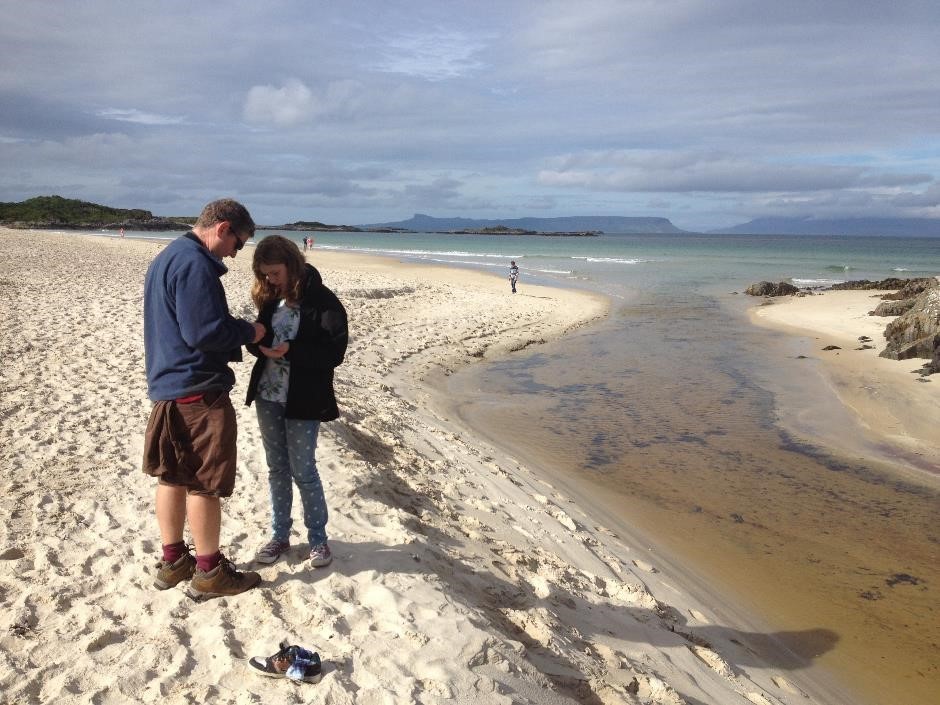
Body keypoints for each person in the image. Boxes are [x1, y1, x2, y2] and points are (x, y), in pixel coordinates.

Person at [143, 198, 266, 599]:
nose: (236, 253)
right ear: (223, 228)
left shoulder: (169, 257)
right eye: (239, 243)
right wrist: (251, 333)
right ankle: (210, 571)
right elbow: (204, 332)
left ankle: (173, 560)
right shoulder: (195, 264)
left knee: (172, 476)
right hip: (198, 390)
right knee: (203, 484)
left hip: (168, 387)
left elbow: (188, 325)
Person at [245, 235, 348, 567]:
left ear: (291, 266)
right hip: (268, 395)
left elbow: (334, 353)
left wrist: (293, 350)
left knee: (304, 470)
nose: (269, 280)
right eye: (264, 275)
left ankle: (318, 540)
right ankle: (280, 536)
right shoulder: (270, 298)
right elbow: (259, 336)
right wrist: (255, 342)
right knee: (277, 469)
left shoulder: (323, 301)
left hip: (303, 399)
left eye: (274, 273)